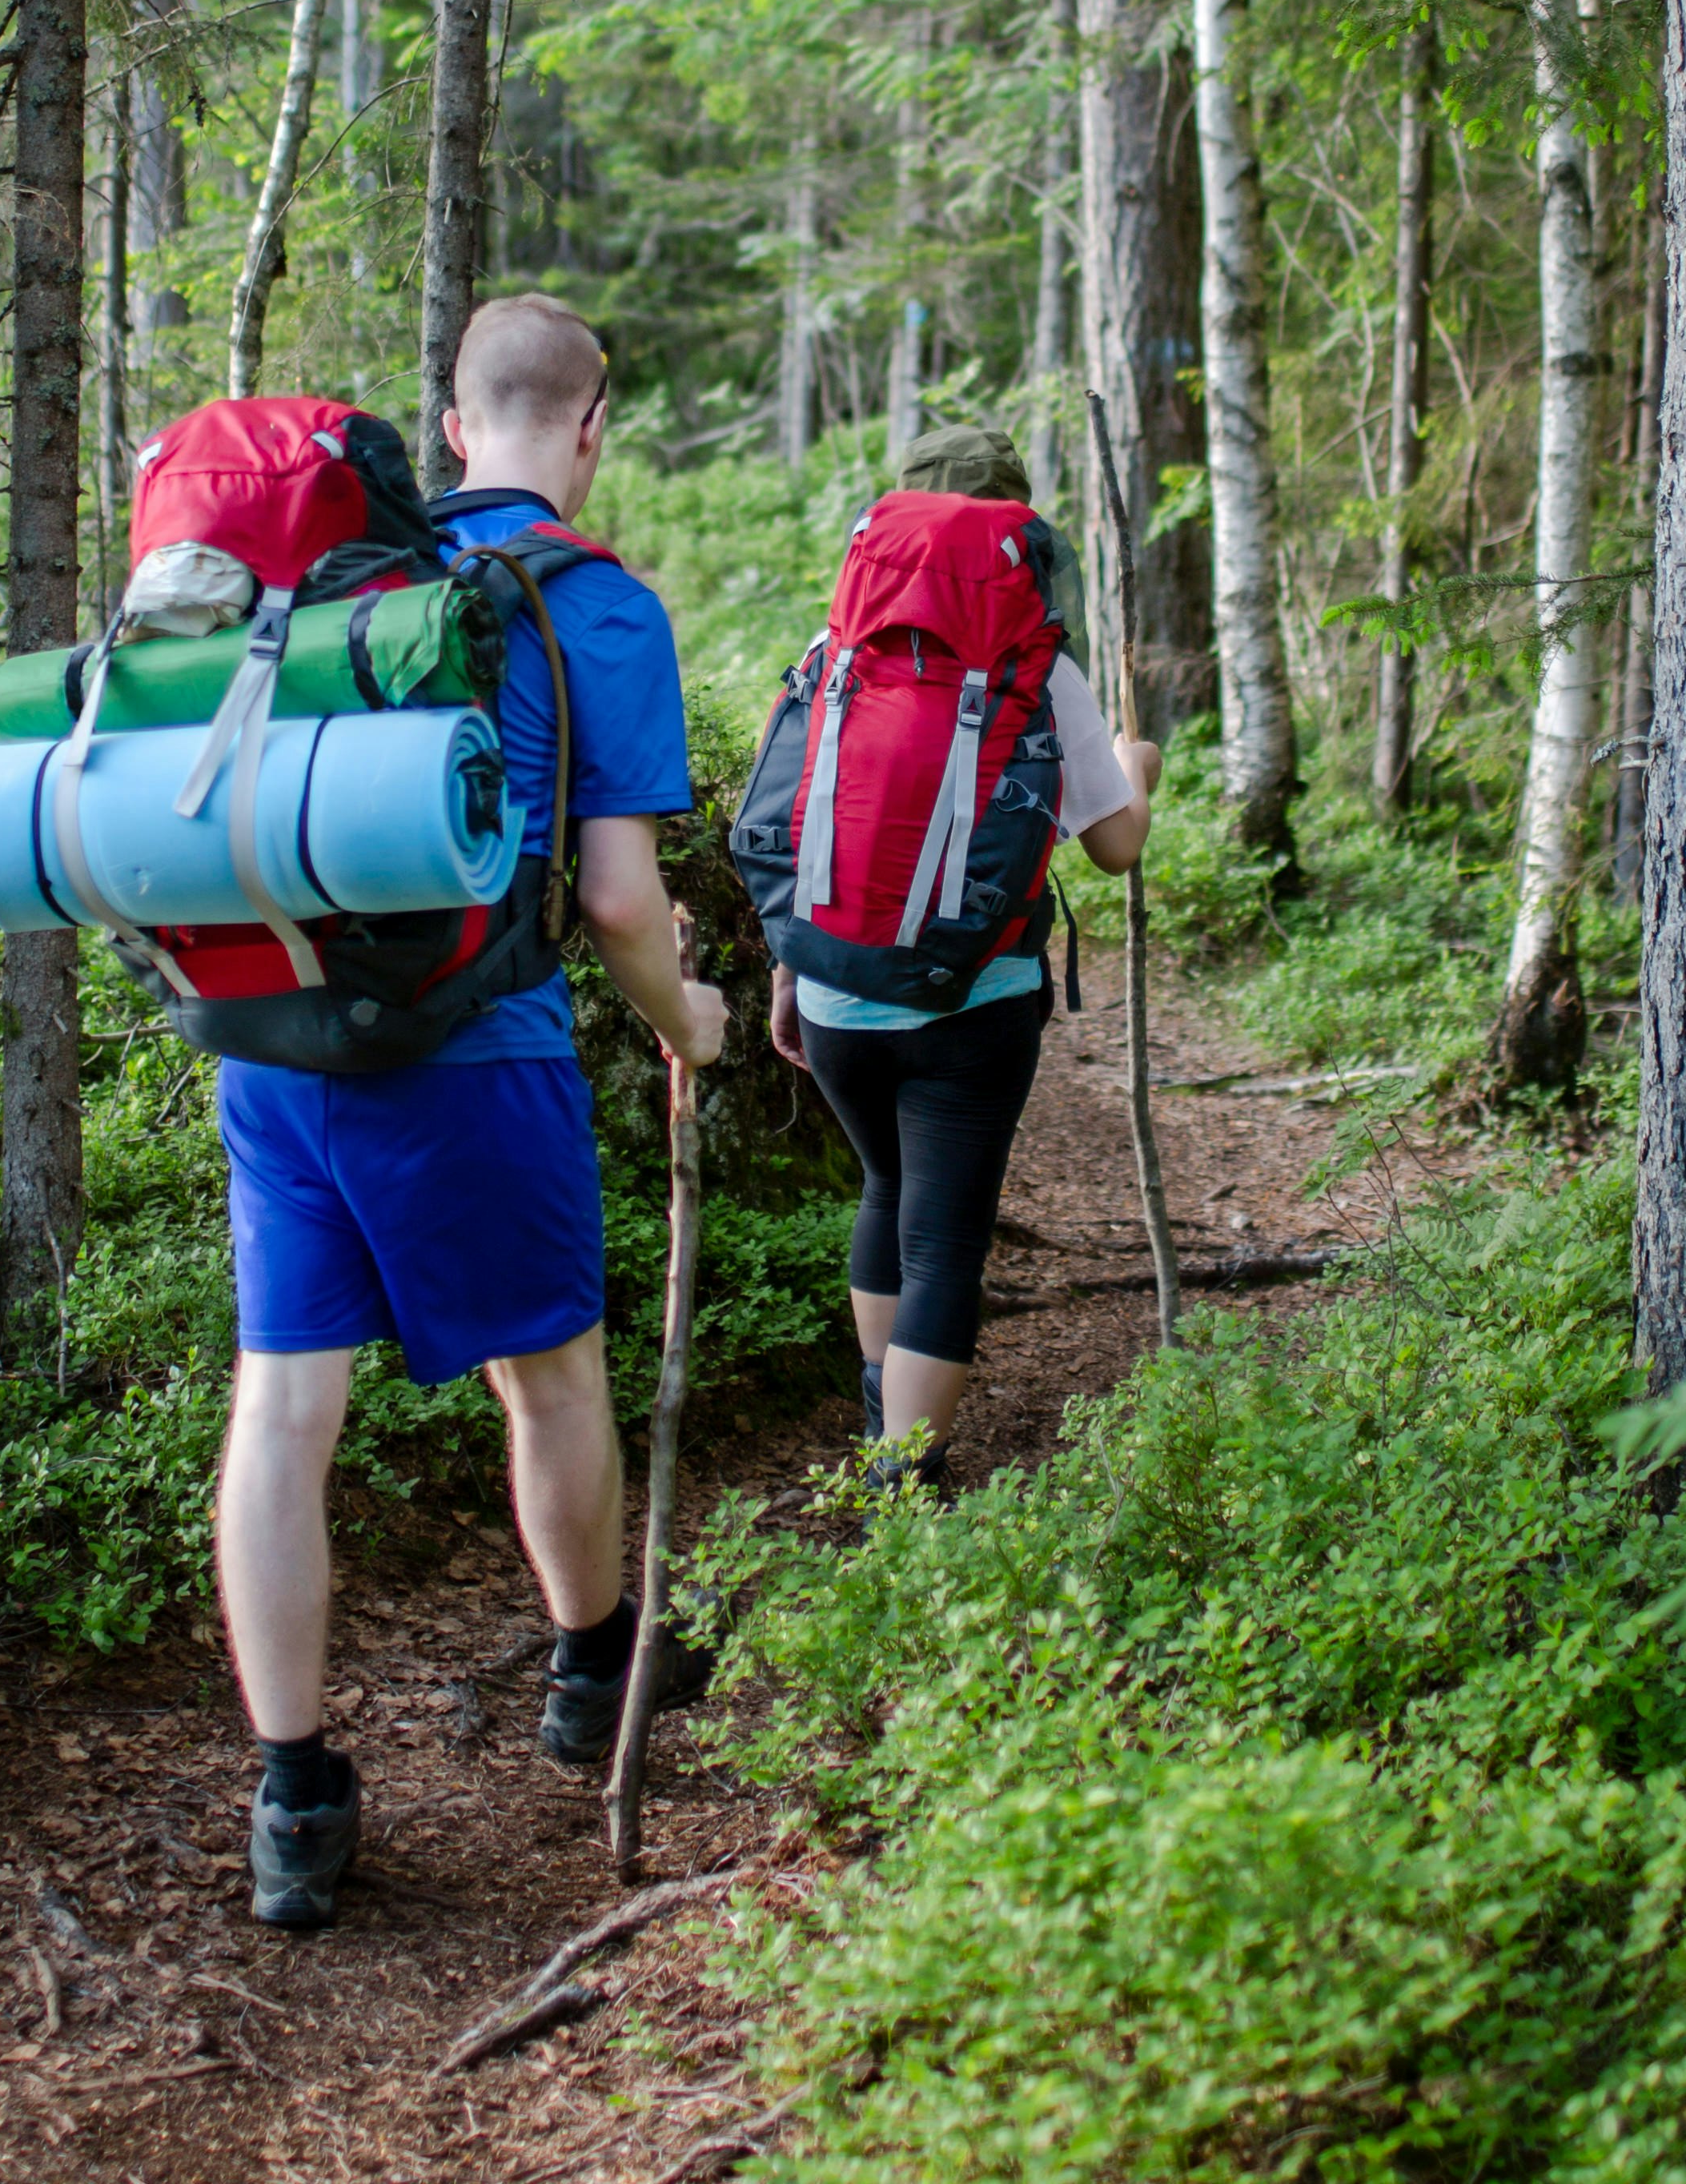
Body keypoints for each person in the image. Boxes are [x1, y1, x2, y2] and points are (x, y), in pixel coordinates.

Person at [212, 294, 728, 1931]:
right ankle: (591, 1676)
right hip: (473, 1053)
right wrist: (691, 1023)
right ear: (590, 430)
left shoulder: (338, 581)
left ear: (450, 426)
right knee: (551, 1379)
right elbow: (624, 903)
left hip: (275, 1050)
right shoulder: (600, 606)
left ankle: (293, 1797)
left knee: (285, 1413)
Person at [765, 423, 1158, 1492]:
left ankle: (875, 1420)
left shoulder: (835, 648)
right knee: (946, 1239)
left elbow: (802, 822)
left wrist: (788, 973)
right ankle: (907, 1483)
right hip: (975, 999)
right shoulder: (1040, 664)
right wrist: (1139, 767)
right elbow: (1117, 846)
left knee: (886, 1190)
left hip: (840, 988)